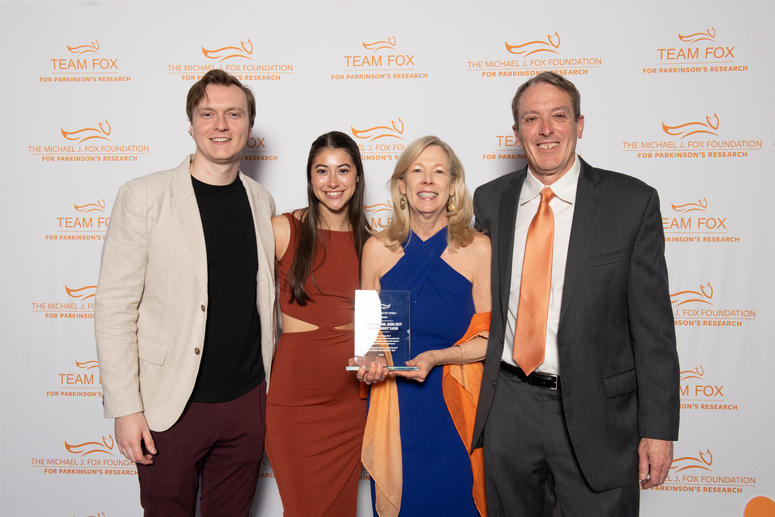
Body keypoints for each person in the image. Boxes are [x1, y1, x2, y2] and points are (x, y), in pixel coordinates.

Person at [471, 71, 680, 516]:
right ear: (517, 133)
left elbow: (654, 328)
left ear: (579, 124)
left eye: (558, 116)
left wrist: (658, 430)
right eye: (532, 119)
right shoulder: (490, 201)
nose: (546, 130)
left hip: (598, 414)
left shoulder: (631, 203)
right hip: (509, 406)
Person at [94, 69, 276, 516]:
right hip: (168, 405)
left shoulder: (260, 201)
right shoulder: (143, 196)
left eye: (234, 114)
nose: (221, 125)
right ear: (191, 124)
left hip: (246, 403)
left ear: (249, 127)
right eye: (208, 113)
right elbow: (114, 308)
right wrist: (126, 409)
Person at [357, 136, 491, 517]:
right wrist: (370, 360)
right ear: (402, 186)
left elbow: (491, 339)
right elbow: (370, 339)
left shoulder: (478, 249)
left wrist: (438, 356)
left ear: (453, 186)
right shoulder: (377, 250)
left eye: (438, 172)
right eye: (417, 171)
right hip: (397, 407)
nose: (427, 180)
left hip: (458, 404)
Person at [265, 131, 370, 516]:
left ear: (357, 177)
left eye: (343, 170)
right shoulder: (282, 229)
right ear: (310, 178)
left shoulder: (373, 243)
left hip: (352, 404)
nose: (332, 181)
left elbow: (385, 325)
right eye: (322, 171)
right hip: (295, 404)